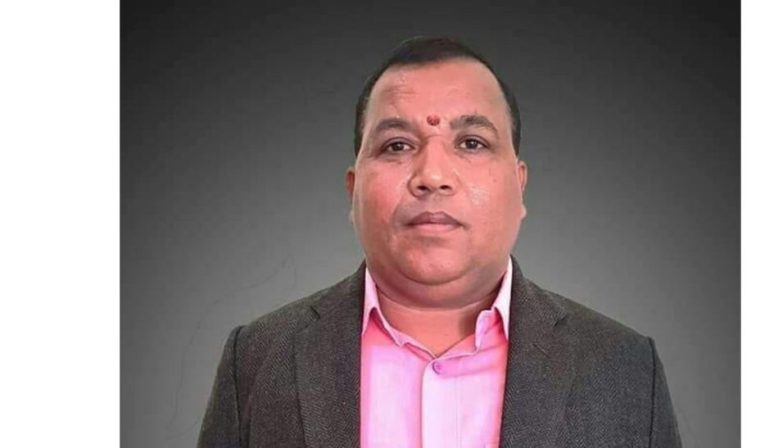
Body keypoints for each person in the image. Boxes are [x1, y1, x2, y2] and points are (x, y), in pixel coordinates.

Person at [197, 36, 682, 448]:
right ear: (353, 190)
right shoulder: (259, 358)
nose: (432, 175)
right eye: (397, 145)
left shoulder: (623, 368)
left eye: (471, 143)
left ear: (519, 186)